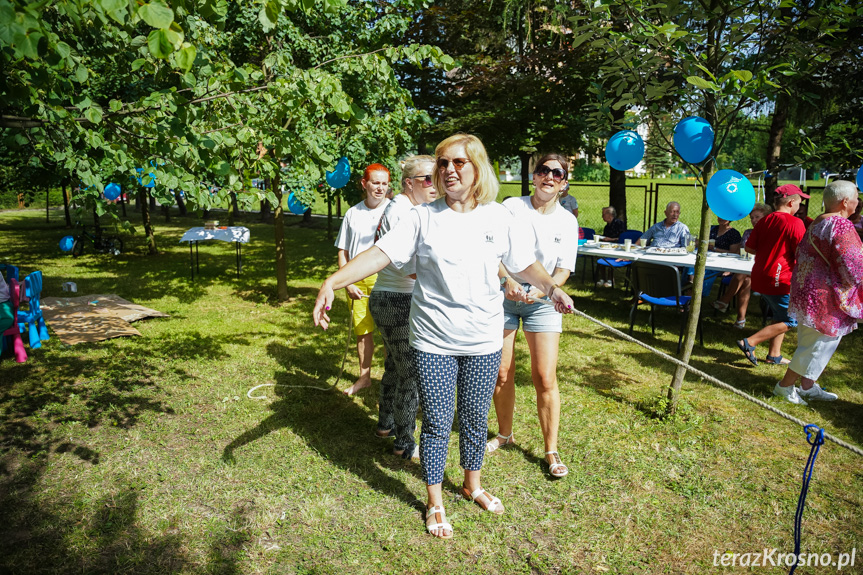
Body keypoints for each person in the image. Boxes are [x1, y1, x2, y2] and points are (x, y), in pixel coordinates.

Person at [312, 134, 575, 539]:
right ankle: (435, 501)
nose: (449, 170)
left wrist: (553, 288)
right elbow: (378, 255)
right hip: (433, 341)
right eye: (443, 163)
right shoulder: (421, 217)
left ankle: (472, 485)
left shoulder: (498, 218)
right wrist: (333, 280)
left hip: (485, 341)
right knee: (436, 424)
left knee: (473, 419)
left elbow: (527, 265)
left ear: (478, 169)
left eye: (459, 162)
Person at [488, 153, 578, 479]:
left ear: (564, 182)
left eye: (557, 173)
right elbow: (493, 249)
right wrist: (506, 280)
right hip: (505, 296)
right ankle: (504, 434)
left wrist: (545, 291)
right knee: (501, 372)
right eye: (543, 171)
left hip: (543, 301)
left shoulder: (568, 221)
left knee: (545, 377)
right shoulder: (513, 206)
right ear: (534, 175)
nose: (549, 177)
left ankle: (551, 449)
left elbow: (564, 267)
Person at [368, 155, 437, 458]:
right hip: (396, 300)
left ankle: (385, 425)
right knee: (412, 373)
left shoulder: (405, 209)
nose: (435, 184)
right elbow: (409, 268)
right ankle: (405, 441)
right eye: (428, 179)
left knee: (395, 367)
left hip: (389, 298)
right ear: (410, 183)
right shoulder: (404, 213)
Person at [773, 180, 863, 404]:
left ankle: (807, 385)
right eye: (856, 197)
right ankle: (784, 387)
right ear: (845, 201)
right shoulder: (841, 225)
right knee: (817, 345)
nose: (858, 201)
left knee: (811, 341)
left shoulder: (818, 222)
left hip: (808, 292)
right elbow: (854, 264)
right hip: (825, 297)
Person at [334, 163, 390, 396]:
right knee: (363, 332)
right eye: (375, 183)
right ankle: (364, 378)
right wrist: (348, 282)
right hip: (358, 281)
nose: (380, 188)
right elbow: (342, 251)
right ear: (364, 183)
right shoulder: (353, 213)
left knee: (391, 334)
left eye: (384, 184)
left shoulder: (395, 210)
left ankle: (392, 379)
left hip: (388, 280)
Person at [735, 184, 808, 367]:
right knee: (791, 320)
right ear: (792, 202)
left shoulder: (765, 220)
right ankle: (750, 342)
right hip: (780, 278)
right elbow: (802, 253)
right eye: (800, 201)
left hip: (760, 277)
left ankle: (774, 355)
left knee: (779, 313)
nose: (800, 205)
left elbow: (750, 247)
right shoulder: (795, 223)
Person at [712, 204, 771, 328]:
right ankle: (740, 320)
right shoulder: (748, 233)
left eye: (757, 217)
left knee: (742, 274)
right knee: (746, 279)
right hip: (747, 269)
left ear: (767, 218)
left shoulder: (772, 234)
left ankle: (725, 301)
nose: (754, 220)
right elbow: (743, 252)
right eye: (752, 217)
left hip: (765, 271)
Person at [595, 206, 626, 287]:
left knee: (609, 258)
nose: (602, 216)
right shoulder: (607, 226)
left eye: (603, 214)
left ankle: (610, 280)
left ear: (609, 215)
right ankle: (602, 278)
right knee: (600, 255)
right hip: (607, 246)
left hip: (618, 247)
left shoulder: (619, 224)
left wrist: (611, 239)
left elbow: (622, 238)